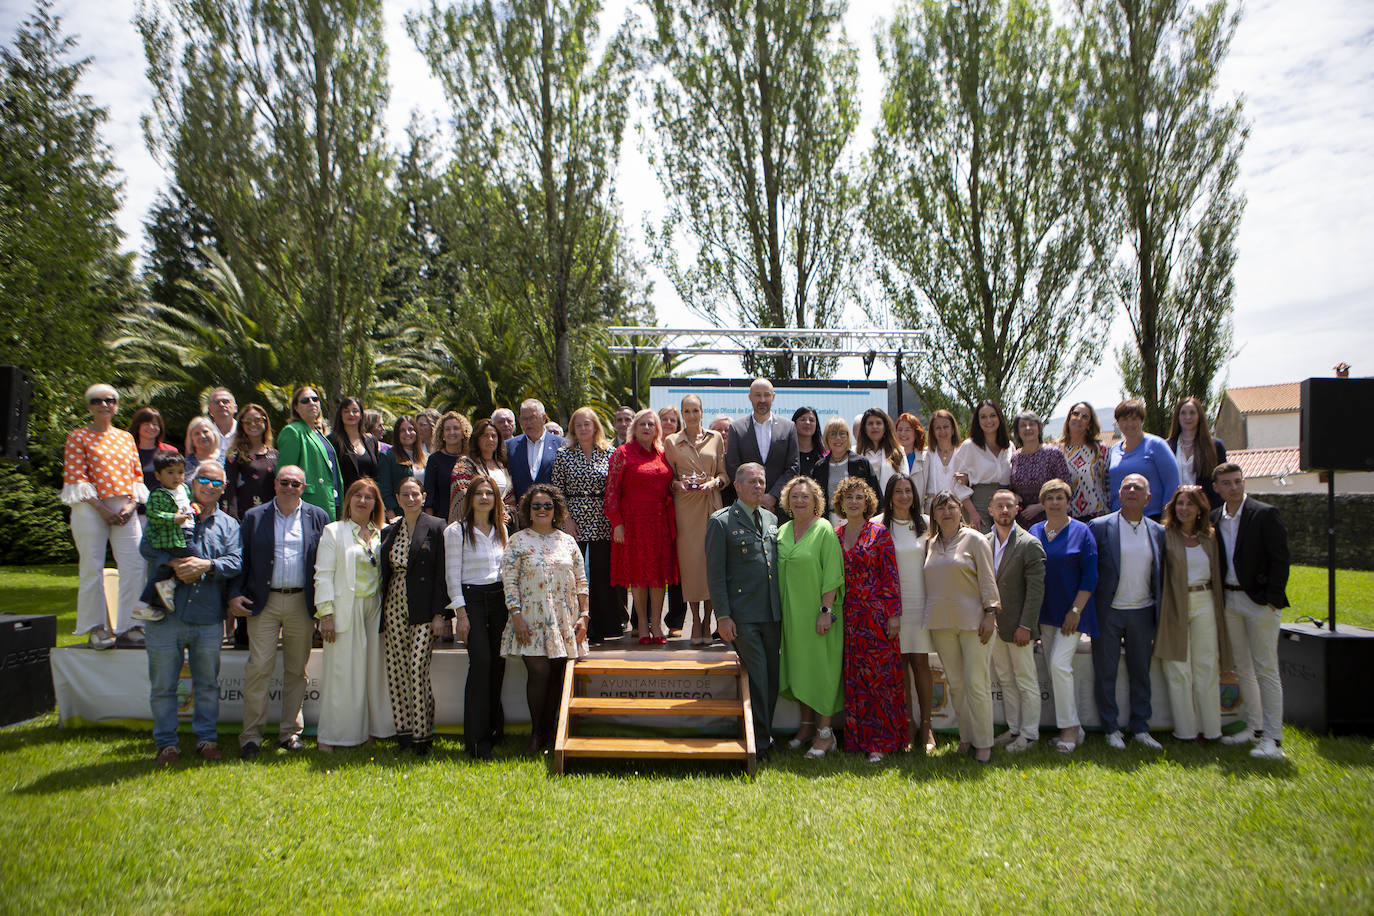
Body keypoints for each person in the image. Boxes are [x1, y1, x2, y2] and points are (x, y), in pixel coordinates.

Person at [140, 462, 242, 764]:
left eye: (217, 481)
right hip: (164, 615)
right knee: (162, 684)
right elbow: (146, 548)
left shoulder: (229, 525)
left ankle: (206, 739)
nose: (210, 485)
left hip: (208, 615)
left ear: (223, 488)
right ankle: (166, 744)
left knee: (208, 683)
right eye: (204, 479)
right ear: (192, 483)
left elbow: (235, 561)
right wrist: (173, 565)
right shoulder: (172, 512)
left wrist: (205, 565)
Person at [227, 464, 329, 759]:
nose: (289, 487)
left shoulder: (317, 517)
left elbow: (325, 562)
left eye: (296, 483)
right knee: (259, 668)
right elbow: (239, 560)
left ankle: (290, 733)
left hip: (301, 602)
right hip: (264, 602)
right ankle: (251, 737)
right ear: (275, 485)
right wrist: (234, 595)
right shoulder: (254, 517)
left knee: (297, 671)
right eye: (284, 482)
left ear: (304, 487)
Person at [500, 484, 590, 755]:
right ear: (528, 510)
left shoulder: (567, 541)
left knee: (558, 676)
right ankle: (537, 734)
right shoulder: (518, 540)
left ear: (556, 510)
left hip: (565, 620)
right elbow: (509, 580)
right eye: (536, 505)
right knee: (538, 673)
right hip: (530, 619)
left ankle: (555, 732)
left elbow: (581, 581)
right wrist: (515, 614)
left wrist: (584, 616)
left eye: (547, 505)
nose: (541, 510)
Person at [1212, 461, 1291, 759]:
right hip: (1230, 602)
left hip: (1259, 602)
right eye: (1227, 483)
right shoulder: (1215, 518)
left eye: (1237, 481)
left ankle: (1274, 739)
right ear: (1217, 488)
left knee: (1266, 669)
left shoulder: (1264, 513)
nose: (1234, 487)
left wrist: (1272, 598)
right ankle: (1254, 728)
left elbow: (1280, 559)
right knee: (1242, 667)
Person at [706, 463, 782, 761]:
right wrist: (722, 616)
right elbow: (715, 574)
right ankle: (759, 741)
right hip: (743, 616)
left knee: (773, 678)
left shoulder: (772, 518)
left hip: (772, 614)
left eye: (762, 482)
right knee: (759, 677)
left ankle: (764, 733)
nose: (758, 487)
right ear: (736, 486)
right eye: (751, 482)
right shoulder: (721, 522)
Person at [61, 383, 147, 649]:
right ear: (89, 406)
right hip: (90, 506)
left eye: (110, 400)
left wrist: (131, 506)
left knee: (135, 565)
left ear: (116, 405)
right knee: (92, 567)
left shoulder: (125, 437)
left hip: (124, 507)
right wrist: (102, 509)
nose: (104, 405)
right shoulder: (78, 437)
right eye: (97, 401)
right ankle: (96, 628)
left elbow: (136, 475)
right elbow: (77, 478)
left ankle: (130, 625)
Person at [314, 478, 395, 751]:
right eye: (357, 495)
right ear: (348, 499)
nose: (362, 501)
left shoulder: (382, 534)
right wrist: (326, 613)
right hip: (344, 609)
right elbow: (323, 575)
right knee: (342, 674)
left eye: (368, 497)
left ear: (376, 503)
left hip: (375, 610)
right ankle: (331, 736)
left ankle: (368, 731)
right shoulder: (334, 532)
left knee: (372, 674)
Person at [1089, 473, 1166, 750]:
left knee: (1141, 673)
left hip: (1142, 612)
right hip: (1108, 611)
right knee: (1106, 672)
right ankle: (1111, 728)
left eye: (1138, 487)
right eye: (1127, 487)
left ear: (1149, 498)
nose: (1132, 490)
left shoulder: (1158, 532)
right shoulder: (1099, 527)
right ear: (1118, 495)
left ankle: (1141, 728)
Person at [923, 490, 1001, 763]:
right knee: (956, 685)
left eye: (951, 507)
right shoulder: (929, 544)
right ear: (933, 514)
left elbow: (989, 580)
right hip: (941, 624)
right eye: (941, 508)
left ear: (961, 511)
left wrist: (990, 613)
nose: (946, 512)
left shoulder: (976, 540)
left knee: (976, 683)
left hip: (974, 623)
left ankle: (984, 743)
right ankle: (966, 738)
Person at [833, 477, 904, 762]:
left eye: (859, 498)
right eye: (848, 497)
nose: (853, 502)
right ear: (840, 502)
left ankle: (881, 742)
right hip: (847, 616)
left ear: (867, 502)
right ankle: (856, 739)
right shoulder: (834, 535)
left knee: (879, 680)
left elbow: (891, 576)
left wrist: (894, 614)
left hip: (875, 616)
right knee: (855, 679)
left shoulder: (879, 533)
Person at [378, 477, 447, 756]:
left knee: (417, 667)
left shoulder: (436, 526)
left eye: (415, 494)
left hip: (423, 606)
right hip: (394, 602)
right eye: (405, 494)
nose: (410, 499)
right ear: (397, 497)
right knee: (396, 669)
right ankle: (404, 732)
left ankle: (422, 734)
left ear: (423, 496)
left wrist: (440, 613)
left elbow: (442, 572)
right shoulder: (389, 531)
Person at [1157, 485, 1232, 743]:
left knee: (1206, 667)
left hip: (1205, 601)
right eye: (1180, 504)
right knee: (1178, 668)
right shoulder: (1164, 535)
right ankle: (1186, 731)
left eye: (1190, 504)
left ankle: (1212, 730)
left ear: (1200, 509)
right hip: (1174, 602)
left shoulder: (1210, 537)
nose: (1184, 509)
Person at [776, 476, 843, 758]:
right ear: (787, 502)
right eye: (795, 496)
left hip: (818, 615)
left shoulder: (824, 529)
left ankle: (825, 735)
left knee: (821, 672)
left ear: (816, 500)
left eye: (805, 496)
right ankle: (805, 728)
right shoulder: (782, 531)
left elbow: (832, 574)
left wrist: (825, 611)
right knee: (800, 670)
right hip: (791, 617)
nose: (800, 501)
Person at [1031, 478, 1099, 754]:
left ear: (1068, 502)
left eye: (1060, 498)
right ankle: (1076, 729)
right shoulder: (1035, 530)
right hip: (1044, 613)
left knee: (1059, 666)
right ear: (1043, 502)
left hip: (1072, 614)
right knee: (1053, 668)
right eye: (1050, 498)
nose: (1055, 502)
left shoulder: (1082, 532)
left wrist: (1075, 610)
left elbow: (1091, 576)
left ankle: (1069, 729)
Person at [446, 476, 511, 759]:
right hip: (471, 599)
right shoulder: (456, 531)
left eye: (490, 493)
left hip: (499, 599)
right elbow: (452, 576)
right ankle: (475, 739)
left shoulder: (502, 529)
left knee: (497, 664)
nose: (484, 498)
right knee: (481, 662)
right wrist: (461, 614)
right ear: (470, 498)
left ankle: (495, 730)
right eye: (479, 493)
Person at [606, 408, 679, 644]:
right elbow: (612, 492)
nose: (647, 428)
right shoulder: (622, 453)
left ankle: (657, 624)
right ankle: (642, 625)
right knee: (638, 577)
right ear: (634, 428)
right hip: (633, 524)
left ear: (657, 428)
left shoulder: (663, 452)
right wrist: (617, 524)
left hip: (660, 523)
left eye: (651, 424)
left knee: (658, 577)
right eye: (642, 424)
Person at [985, 489, 1046, 753]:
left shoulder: (1029, 544)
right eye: (999, 506)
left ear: (1017, 509)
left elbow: (1036, 592)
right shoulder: (983, 542)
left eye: (1009, 506)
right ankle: (1014, 729)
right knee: (1005, 680)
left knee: (1025, 680)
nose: (1004, 511)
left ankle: (1030, 734)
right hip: (994, 626)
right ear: (990, 510)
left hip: (1019, 627)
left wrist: (1026, 626)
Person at [664, 394, 728, 646]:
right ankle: (695, 619)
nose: (691, 415)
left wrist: (715, 482)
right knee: (691, 567)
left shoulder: (716, 439)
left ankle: (708, 620)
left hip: (712, 505)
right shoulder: (671, 441)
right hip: (685, 509)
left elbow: (725, 474)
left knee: (713, 564)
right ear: (682, 414)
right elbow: (667, 479)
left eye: (695, 410)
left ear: (702, 412)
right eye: (687, 411)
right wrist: (677, 484)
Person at [552, 407, 618, 643]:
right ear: (572, 428)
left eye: (587, 424)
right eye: (578, 425)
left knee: (600, 576)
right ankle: (575, 625)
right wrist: (565, 519)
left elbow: (614, 488)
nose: (582, 429)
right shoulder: (564, 454)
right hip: (574, 521)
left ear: (595, 427)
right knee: (576, 576)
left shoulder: (610, 453)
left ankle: (600, 627)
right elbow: (557, 490)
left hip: (602, 519)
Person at [881, 474, 935, 753]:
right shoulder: (879, 525)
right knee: (899, 669)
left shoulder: (927, 523)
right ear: (889, 496)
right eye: (898, 491)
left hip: (921, 603)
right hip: (893, 608)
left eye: (908, 491)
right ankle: (908, 726)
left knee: (921, 665)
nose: (904, 496)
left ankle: (927, 728)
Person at [135, 451, 197, 622]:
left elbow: (186, 505)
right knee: (196, 560)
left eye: (180, 472)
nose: (176, 477)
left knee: (161, 572)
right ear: (158, 475)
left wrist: (194, 508)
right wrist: (173, 518)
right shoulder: (157, 494)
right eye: (170, 473)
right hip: (175, 537)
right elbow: (153, 515)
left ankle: (142, 606)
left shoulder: (184, 488)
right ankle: (170, 585)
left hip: (187, 531)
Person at [724, 378, 799, 512]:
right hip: (746, 506)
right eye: (758, 395)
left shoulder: (788, 427)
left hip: (779, 506)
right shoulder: (737, 428)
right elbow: (732, 466)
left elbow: (793, 467)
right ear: (750, 397)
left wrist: (773, 496)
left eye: (767, 395)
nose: (762, 400)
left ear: (773, 397)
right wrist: (755, 496)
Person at [276, 385, 343, 520]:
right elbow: (285, 475)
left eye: (315, 399)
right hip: (309, 504)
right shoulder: (293, 431)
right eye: (305, 400)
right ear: (296, 407)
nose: (312, 403)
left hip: (331, 501)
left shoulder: (318, 432)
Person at [1107, 398, 1179, 520]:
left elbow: (1172, 484)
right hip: (1120, 519)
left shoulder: (1156, 445)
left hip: (1151, 517)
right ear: (1117, 423)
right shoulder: (1114, 450)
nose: (1129, 424)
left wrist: (1166, 519)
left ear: (1142, 420)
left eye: (1134, 419)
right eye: (1124, 419)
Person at [953, 400, 1012, 532]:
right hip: (979, 505)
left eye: (992, 415)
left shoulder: (1008, 446)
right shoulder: (969, 446)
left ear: (999, 418)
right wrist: (972, 513)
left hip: (1005, 504)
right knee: (983, 545)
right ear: (977, 421)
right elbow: (958, 484)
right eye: (983, 417)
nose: (988, 420)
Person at [810, 417, 878, 525]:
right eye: (833, 434)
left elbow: (875, 496)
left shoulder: (861, 463)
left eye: (842, 433)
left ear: (848, 437)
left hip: (858, 522)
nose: (838, 438)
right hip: (828, 523)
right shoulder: (820, 467)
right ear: (826, 438)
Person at [1009, 410, 1071, 528]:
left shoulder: (1053, 454)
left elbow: (1066, 488)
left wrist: (1040, 506)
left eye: (1032, 424)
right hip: (1021, 522)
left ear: (1039, 428)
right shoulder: (1015, 457)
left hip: (1050, 518)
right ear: (1017, 431)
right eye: (1023, 425)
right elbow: (1011, 487)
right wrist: (1013, 495)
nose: (1028, 428)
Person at [657, 404, 688, 635]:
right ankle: (644, 619)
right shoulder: (651, 447)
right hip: (653, 513)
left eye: (672, 420)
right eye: (664, 419)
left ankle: (676, 622)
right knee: (652, 565)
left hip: (680, 510)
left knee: (679, 566)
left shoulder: (682, 446)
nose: (668, 423)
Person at [449, 417, 514, 523]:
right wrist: (493, 512)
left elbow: (511, 498)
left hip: (502, 526)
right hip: (474, 524)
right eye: (485, 436)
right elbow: (462, 492)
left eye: (494, 436)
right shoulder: (465, 464)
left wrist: (508, 515)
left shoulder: (504, 466)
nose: (490, 440)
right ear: (477, 439)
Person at [1167, 397, 1228, 510]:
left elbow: (1222, 480)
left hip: (1206, 510)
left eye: (1192, 413)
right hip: (1177, 511)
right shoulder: (1167, 447)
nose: (1188, 417)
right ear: (1177, 417)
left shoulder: (1215, 446)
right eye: (1183, 413)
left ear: (1199, 416)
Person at [224, 403, 277, 520]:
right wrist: (232, 518)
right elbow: (229, 488)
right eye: (247, 421)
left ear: (265, 422)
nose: (253, 424)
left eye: (257, 420)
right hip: (244, 518)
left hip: (271, 516)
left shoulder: (275, 455)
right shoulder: (235, 455)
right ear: (241, 425)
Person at [1060, 401, 1110, 520]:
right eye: (1075, 414)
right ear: (1069, 417)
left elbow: (1108, 483)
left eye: (1085, 416)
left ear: (1089, 424)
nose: (1079, 418)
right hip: (1065, 519)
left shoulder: (1100, 450)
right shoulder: (1056, 450)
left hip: (1097, 517)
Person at [507, 399, 564, 503]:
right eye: (524, 418)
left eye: (532, 417)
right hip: (521, 512)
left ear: (543, 418)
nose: (528, 422)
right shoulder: (510, 446)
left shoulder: (560, 445)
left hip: (551, 511)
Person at [328, 396, 380, 496]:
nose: (351, 414)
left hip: (369, 498)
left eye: (355, 411)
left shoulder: (371, 441)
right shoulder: (332, 441)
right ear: (341, 415)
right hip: (345, 498)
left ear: (361, 415)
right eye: (346, 411)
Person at [377, 415, 426, 520]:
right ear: (397, 434)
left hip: (422, 516)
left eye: (410, 429)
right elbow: (385, 491)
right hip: (399, 516)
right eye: (402, 430)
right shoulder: (387, 456)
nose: (407, 433)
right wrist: (392, 518)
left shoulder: (426, 457)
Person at [423, 410, 469, 520]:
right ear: (442, 435)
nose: (452, 432)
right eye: (447, 429)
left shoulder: (471, 460)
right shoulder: (434, 460)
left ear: (463, 433)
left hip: (469, 520)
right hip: (442, 520)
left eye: (456, 428)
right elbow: (430, 497)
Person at [130, 406, 179, 499]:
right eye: (146, 424)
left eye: (155, 424)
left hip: (164, 506)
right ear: (138, 426)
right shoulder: (128, 451)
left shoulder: (170, 451)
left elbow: (178, 479)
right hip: (136, 507)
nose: (151, 427)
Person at [858, 407, 906, 497]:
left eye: (878, 423)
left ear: (885, 427)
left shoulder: (898, 452)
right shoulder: (855, 452)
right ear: (864, 428)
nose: (874, 427)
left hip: (890, 505)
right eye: (870, 423)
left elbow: (905, 482)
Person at [924, 409, 962, 506]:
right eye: (938, 428)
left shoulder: (962, 452)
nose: (942, 431)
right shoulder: (926, 454)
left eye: (946, 427)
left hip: (957, 507)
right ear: (932, 431)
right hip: (932, 507)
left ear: (953, 429)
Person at [894, 412, 929, 498]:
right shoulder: (890, 457)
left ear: (916, 433)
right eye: (900, 430)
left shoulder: (925, 457)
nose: (903, 434)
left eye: (907, 430)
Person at [183, 416, 223, 480]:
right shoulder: (185, 465)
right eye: (197, 434)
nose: (202, 436)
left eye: (205, 431)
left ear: (214, 433)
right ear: (191, 440)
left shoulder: (228, 458)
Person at [205, 386, 238, 460]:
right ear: (210, 410)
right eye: (217, 402)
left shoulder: (246, 432)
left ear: (235, 408)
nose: (221, 404)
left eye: (225, 401)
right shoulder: (203, 435)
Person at [792, 406, 824, 479]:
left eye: (811, 420)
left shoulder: (823, 455)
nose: (807, 422)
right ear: (794, 423)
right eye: (802, 419)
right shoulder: (787, 453)